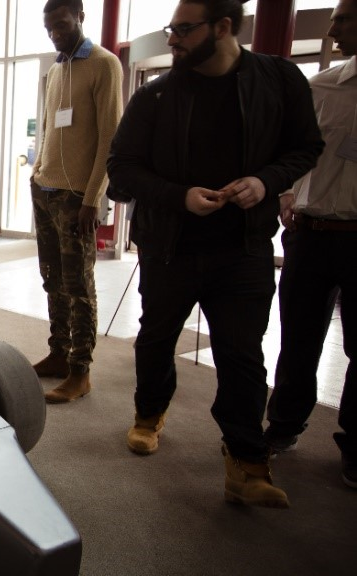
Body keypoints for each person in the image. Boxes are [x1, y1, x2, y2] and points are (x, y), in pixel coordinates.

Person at [107, 0, 323, 508]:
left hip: (244, 248)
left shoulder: (279, 80)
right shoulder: (155, 95)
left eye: (183, 29)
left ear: (223, 27)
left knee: (243, 356)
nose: (172, 39)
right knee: (156, 340)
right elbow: (121, 171)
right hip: (169, 247)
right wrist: (179, 196)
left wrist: (265, 180)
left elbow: (305, 146)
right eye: (171, 29)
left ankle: (247, 462)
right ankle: (149, 412)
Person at [265, 0, 357, 489]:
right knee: (299, 338)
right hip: (311, 234)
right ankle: (283, 427)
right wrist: (285, 193)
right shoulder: (321, 87)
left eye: (344, 17)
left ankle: (355, 447)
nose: (334, 26)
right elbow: (292, 153)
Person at [30, 0, 123, 403]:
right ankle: (58, 352)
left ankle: (80, 369)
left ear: (81, 18)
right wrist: (36, 175)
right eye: (50, 27)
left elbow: (109, 137)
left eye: (63, 25)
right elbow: (50, 130)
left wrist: (93, 197)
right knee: (52, 279)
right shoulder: (54, 70)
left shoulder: (104, 64)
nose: (56, 33)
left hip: (76, 197)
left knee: (78, 285)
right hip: (44, 190)